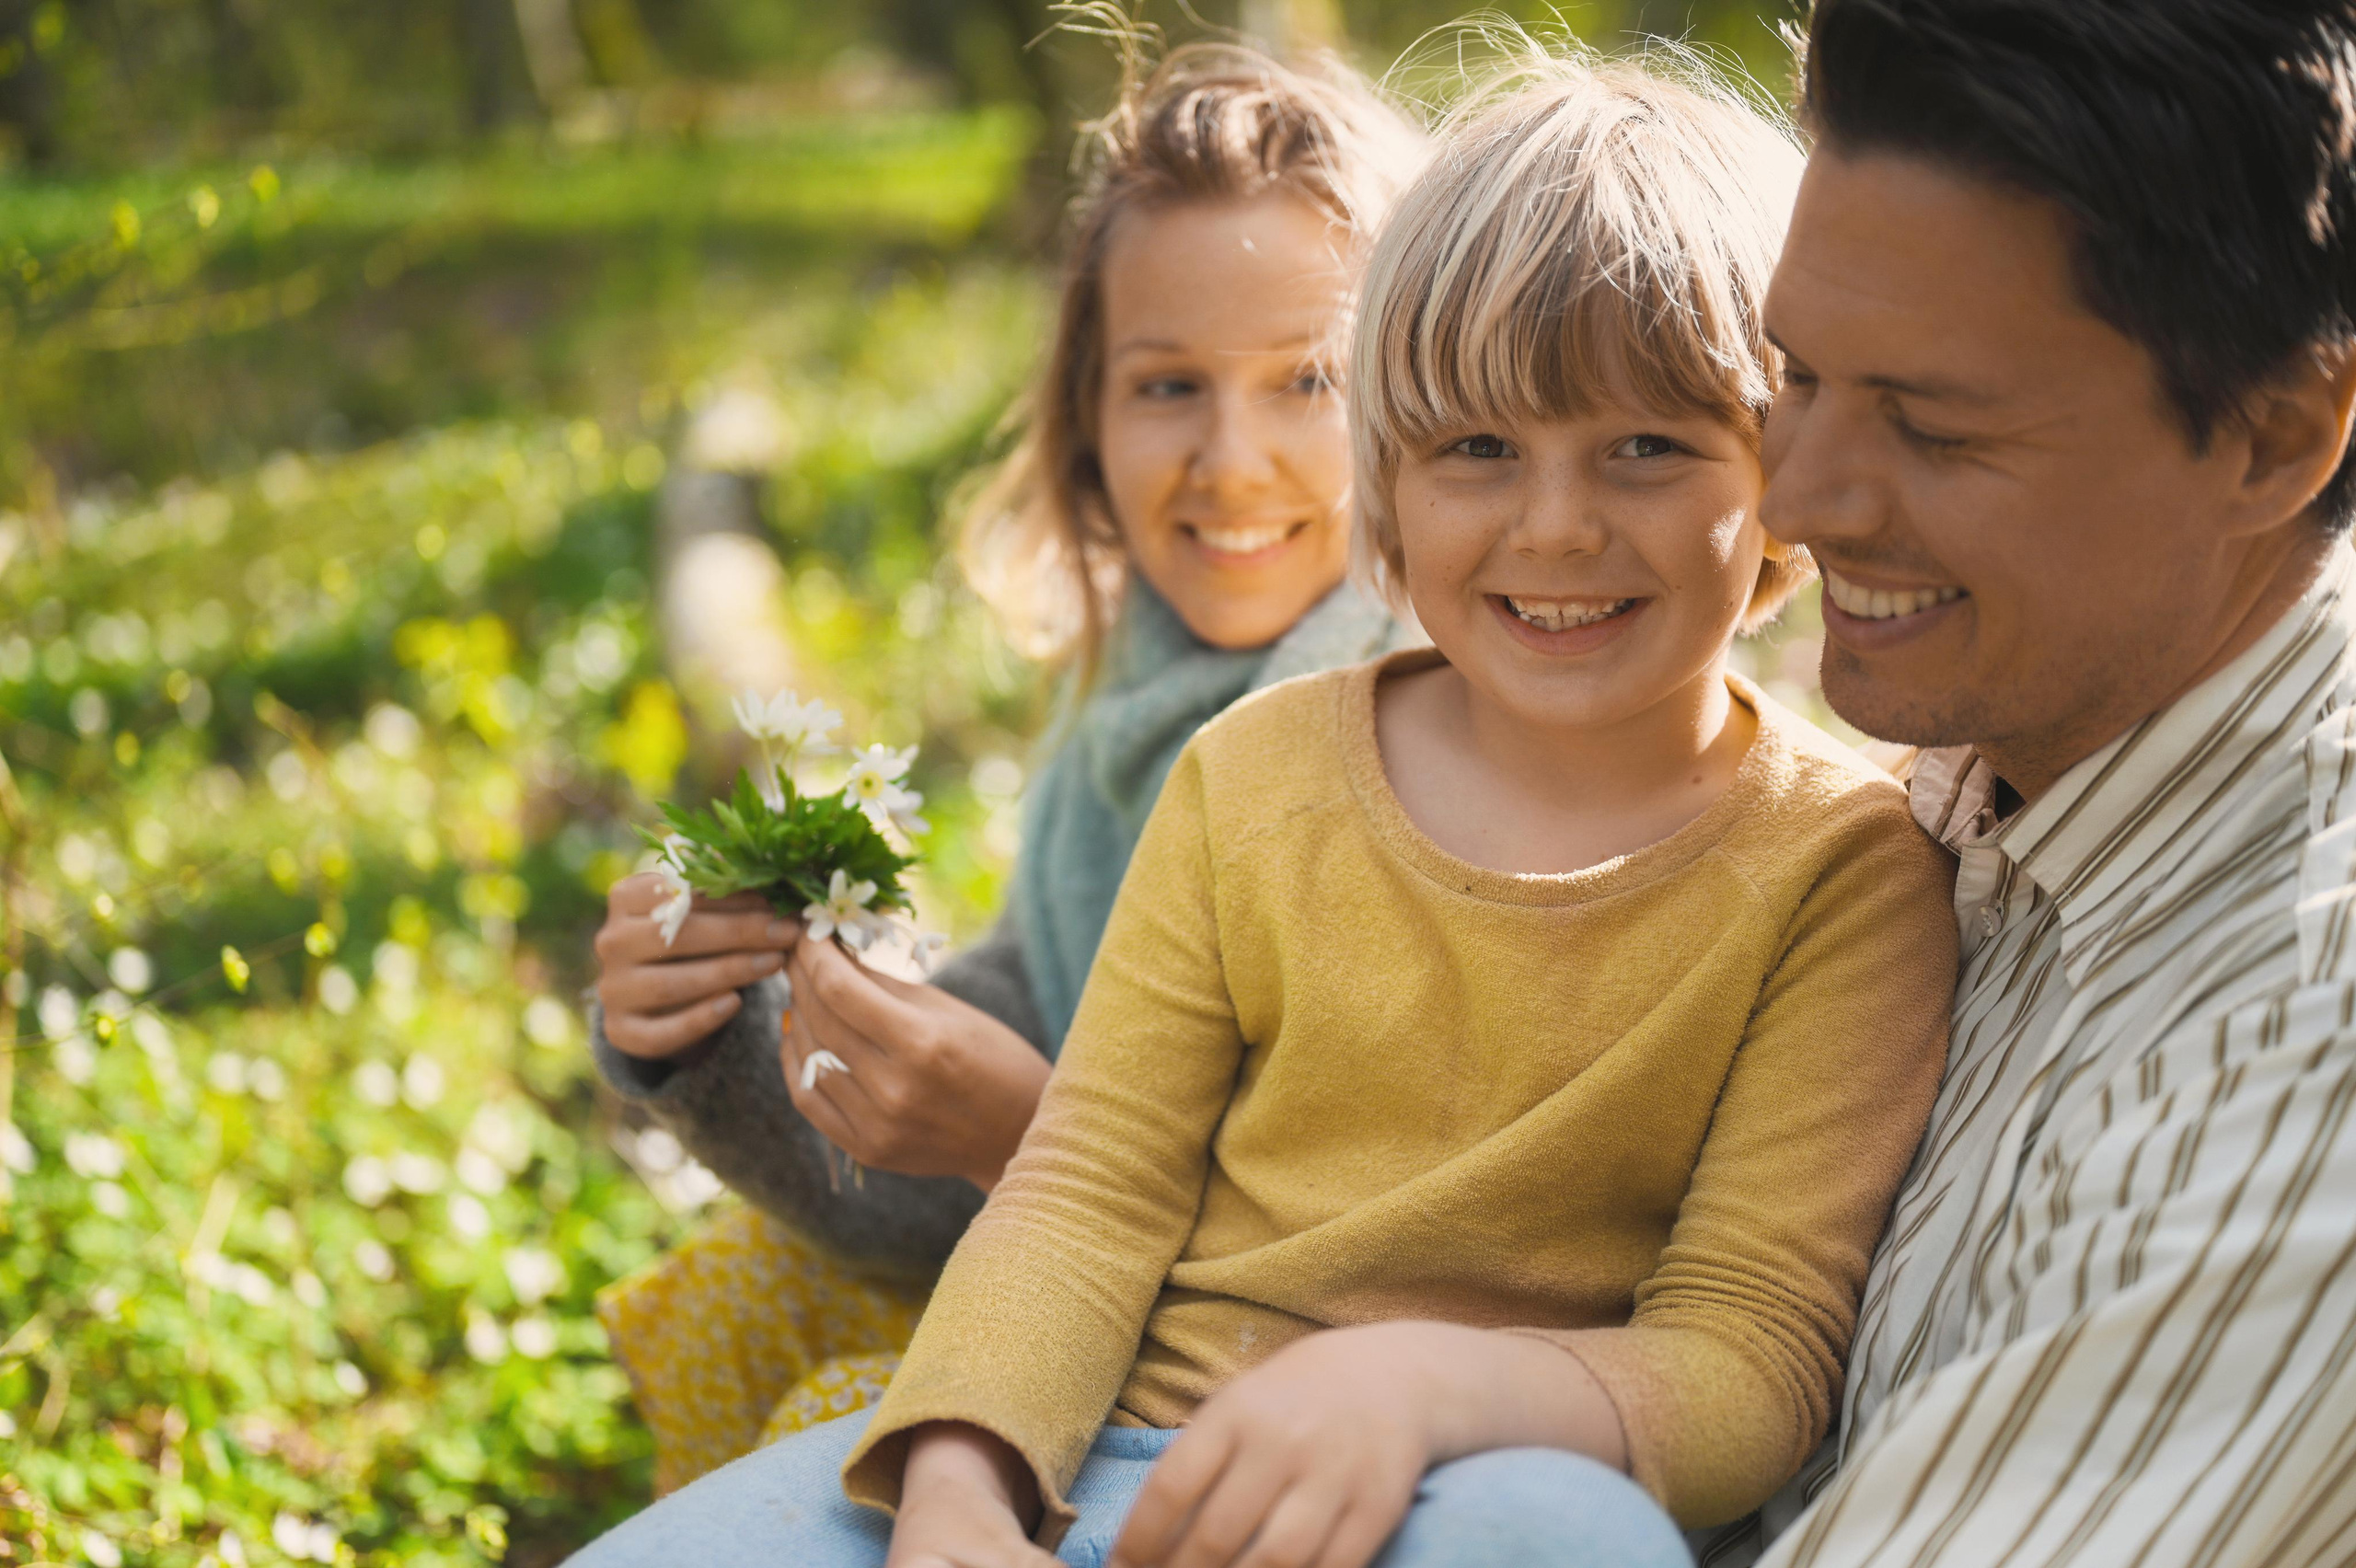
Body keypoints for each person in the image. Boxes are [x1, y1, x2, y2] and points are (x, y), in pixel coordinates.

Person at [572, 49, 1959, 1568]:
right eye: (1479, 448)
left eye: (1647, 446)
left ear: (1784, 478)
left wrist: (1422, 1390)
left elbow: (1749, 1356)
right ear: (1390, 480)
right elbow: (1087, 1190)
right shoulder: (1251, 774)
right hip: (1109, 1450)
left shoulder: (1848, 867)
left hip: (1468, 1484)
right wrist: (965, 1478)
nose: (1558, 525)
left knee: (1571, 1539)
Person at [1493, 2, 2356, 1563]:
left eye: (1936, 426)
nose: (1799, 496)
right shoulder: (1969, 757)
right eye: (1797, 373)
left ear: (2273, 439)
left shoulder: (2301, 1037)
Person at [583, 42, 1428, 1493]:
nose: (1230, 462)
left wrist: (1023, 1137)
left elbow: (1377, 1234)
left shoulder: (1405, 732)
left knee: (851, 1429)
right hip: (1080, 1268)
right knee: (731, 1294)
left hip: (1299, 1384)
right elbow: (1029, 1008)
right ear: (1087, 425)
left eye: (1310, 381)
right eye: (1168, 386)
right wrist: (725, 1025)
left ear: (1430, 390)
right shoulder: (1139, 686)